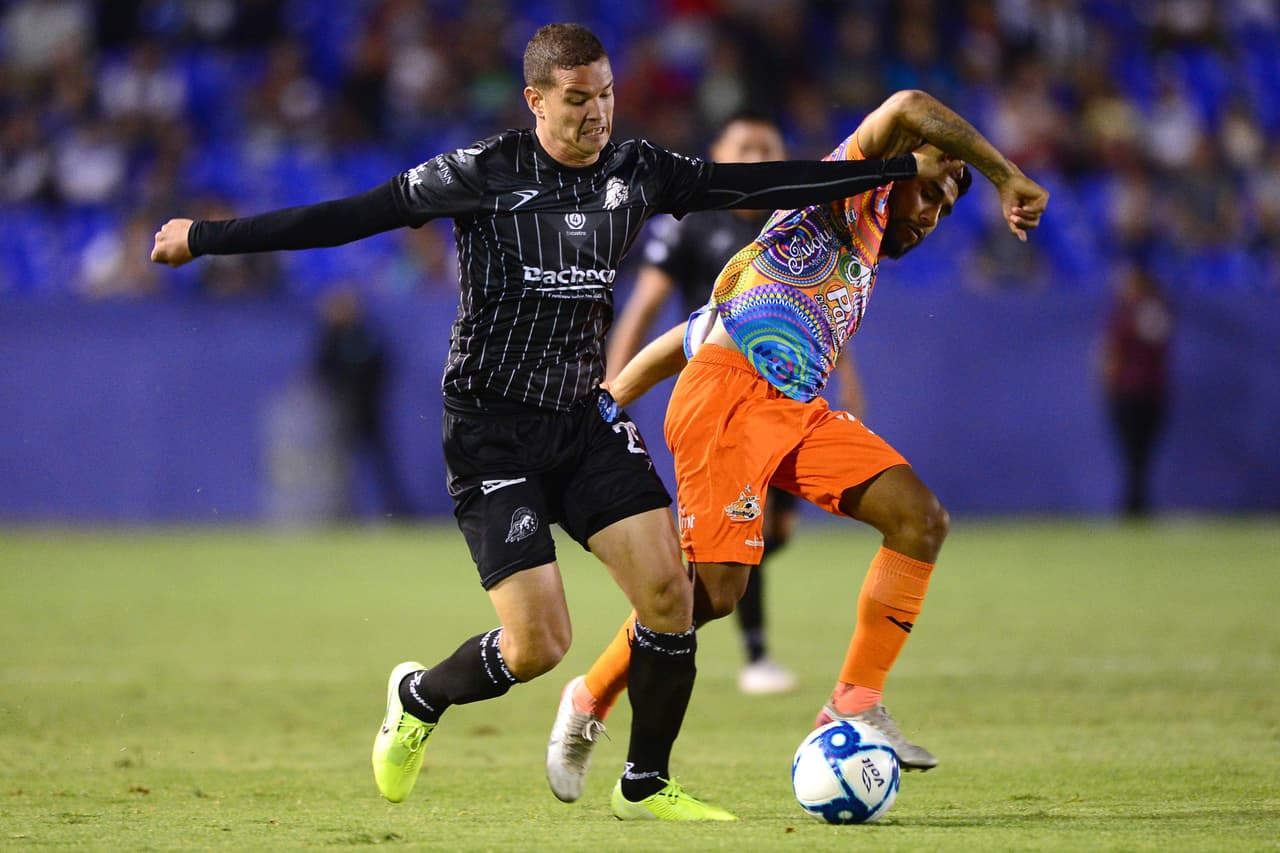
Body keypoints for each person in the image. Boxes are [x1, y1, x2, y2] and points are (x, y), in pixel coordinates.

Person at [151, 23, 945, 821]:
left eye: (605, 94)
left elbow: (762, 185)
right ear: (535, 100)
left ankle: (646, 781)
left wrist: (891, 170)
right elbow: (354, 215)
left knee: (672, 589)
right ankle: (421, 695)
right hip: (492, 425)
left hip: (581, 418)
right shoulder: (484, 172)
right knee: (539, 646)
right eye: (577, 100)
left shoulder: (637, 170)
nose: (596, 113)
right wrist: (206, 238)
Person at [545, 88, 1048, 803]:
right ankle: (588, 700)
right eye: (930, 192)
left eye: (944, 208)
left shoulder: (835, 256)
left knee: (921, 519)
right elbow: (905, 104)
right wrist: (1005, 174)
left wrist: (610, 397)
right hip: (727, 402)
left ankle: (853, 701)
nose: (932, 216)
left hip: (792, 408)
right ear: (897, 172)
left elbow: (694, 330)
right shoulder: (842, 194)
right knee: (711, 596)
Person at [607, 110, 868, 695]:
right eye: (743, 147)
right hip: (718, 393)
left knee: (773, 534)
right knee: (745, 533)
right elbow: (646, 304)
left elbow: (820, 306)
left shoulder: (794, 220)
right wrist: (616, 381)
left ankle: (678, 589)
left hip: (784, 392)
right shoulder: (694, 222)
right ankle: (750, 653)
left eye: (767, 146)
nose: (755, 158)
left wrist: (845, 376)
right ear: (719, 152)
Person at [313, 287, 414, 519]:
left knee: (381, 464)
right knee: (341, 465)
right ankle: (341, 512)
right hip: (344, 409)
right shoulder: (331, 337)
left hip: (369, 408)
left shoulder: (366, 332)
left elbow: (382, 365)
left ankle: (396, 511)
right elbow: (322, 370)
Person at [1100, 263, 1173, 517]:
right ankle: (1135, 504)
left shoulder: (1143, 312)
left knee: (1139, 452)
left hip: (1139, 391)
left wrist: (1107, 386)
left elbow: (1110, 357)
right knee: (1135, 453)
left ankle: (1135, 504)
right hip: (1140, 392)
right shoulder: (1128, 315)